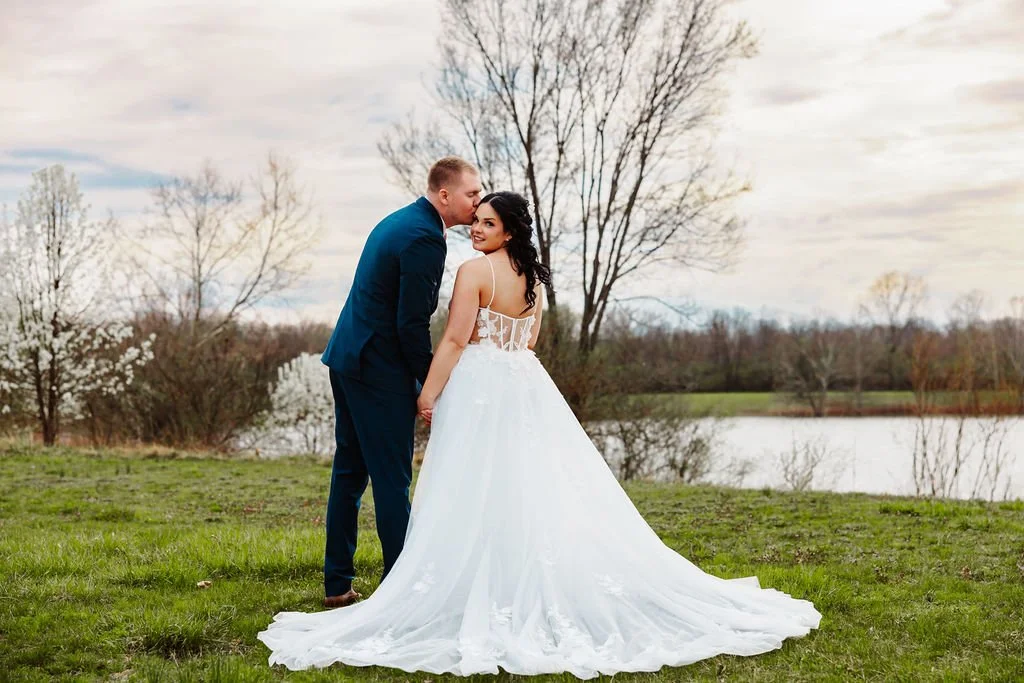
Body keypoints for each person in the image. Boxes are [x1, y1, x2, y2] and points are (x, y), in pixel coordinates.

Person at [259, 191, 821, 677]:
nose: (476, 229)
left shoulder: (473, 272)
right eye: (474, 220)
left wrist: (429, 392)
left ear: (507, 231)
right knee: (522, 484)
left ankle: (469, 585)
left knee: (470, 485)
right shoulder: (532, 280)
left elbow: (454, 341)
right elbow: (529, 343)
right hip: (523, 386)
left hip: (479, 385)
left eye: (486, 223)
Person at [317, 156, 481, 608]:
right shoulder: (424, 237)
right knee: (392, 480)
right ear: (444, 194)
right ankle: (399, 590)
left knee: (349, 472)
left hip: (348, 356)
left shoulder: (400, 221)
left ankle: (337, 585)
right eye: (471, 194)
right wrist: (432, 380)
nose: (478, 201)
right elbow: (411, 324)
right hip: (377, 370)